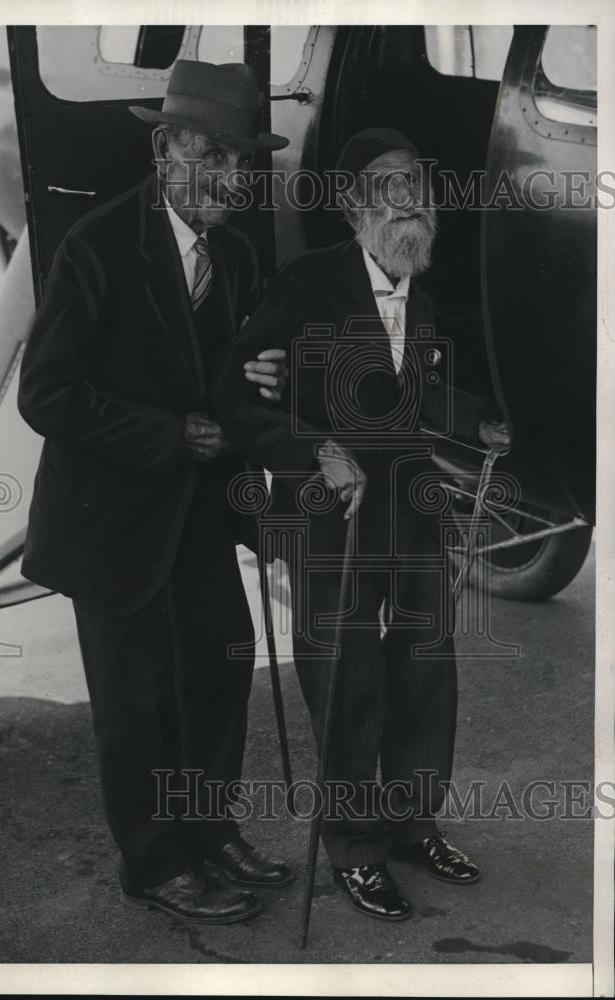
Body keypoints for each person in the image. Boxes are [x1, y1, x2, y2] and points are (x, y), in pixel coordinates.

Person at [17, 60, 296, 925]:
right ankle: (153, 861)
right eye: (210, 155)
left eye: (244, 160)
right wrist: (167, 434)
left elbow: (230, 384)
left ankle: (210, 833)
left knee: (217, 670)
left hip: (201, 518)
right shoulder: (98, 246)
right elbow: (47, 395)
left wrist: (259, 379)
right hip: (113, 523)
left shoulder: (240, 254)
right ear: (163, 148)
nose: (231, 177)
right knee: (134, 706)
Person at [214, 128, 511, 922]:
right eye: (387, 184)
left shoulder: (425, 292)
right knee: (349, 681)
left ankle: (412, 825)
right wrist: (314, 449)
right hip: (327, 513)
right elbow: (241, 397)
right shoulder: (307, 283)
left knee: (423, 668)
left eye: (416, 181)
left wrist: (477, 421)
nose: (408, 196)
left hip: (408, 504)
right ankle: (353, 847)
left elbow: (410, 399)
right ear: (352, 206)